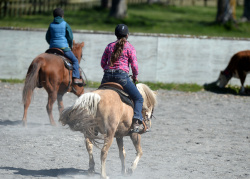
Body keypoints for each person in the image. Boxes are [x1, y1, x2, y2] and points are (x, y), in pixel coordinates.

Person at [100, 24, 144, 133]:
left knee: (97, 98)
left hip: (107, 76)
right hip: (122, 77)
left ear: (116, 35)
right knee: (139, 98)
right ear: (127, 35)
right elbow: (134, 65)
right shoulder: (130, 47)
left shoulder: (109, 46)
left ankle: (93, 121)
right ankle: (136, 122)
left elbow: (102, 62)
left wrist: (108, 69)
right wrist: (135, 76)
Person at [46, 7, 83, 85]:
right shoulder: (65, 24)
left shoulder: (51, 25)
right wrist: (70, 45)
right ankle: (76, 78)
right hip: (64, 48)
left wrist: (52, 43)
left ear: (54, 16)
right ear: (62, 16)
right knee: (75, 60)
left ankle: (39, 79)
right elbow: (70, 37)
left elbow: (47, 37)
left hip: (52, 48)